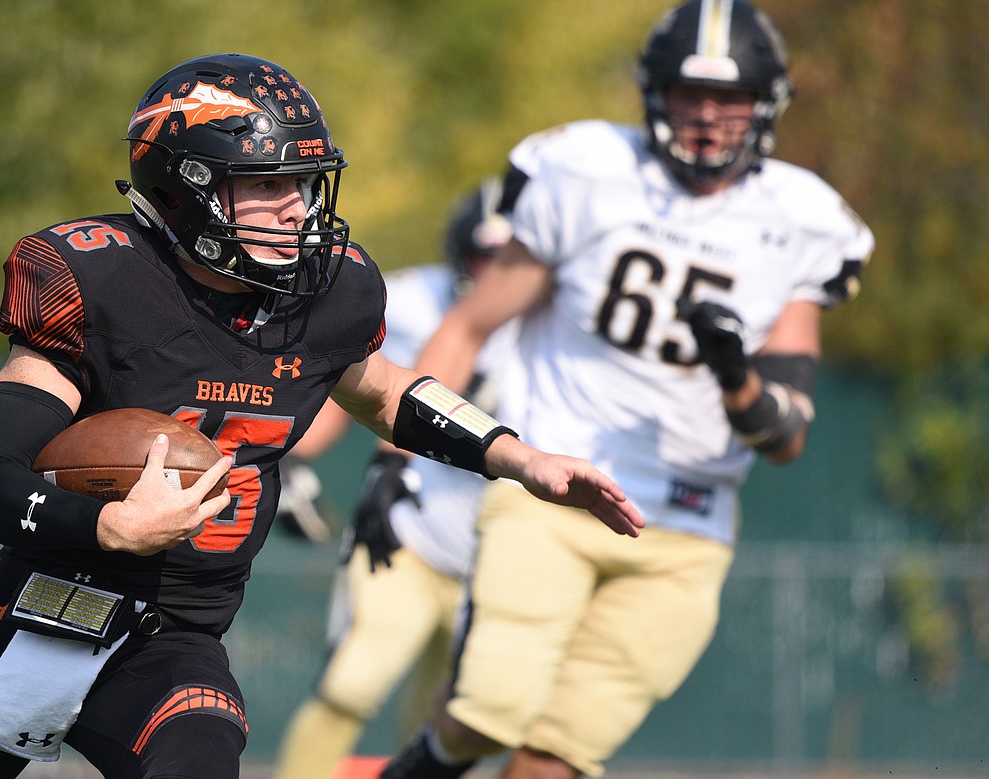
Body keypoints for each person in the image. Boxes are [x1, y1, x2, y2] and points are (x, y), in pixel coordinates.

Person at [0, 53, 644, 779]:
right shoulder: (98, 279)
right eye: (267, 184)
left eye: (303, 184)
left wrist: (518, 456)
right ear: (186, 187)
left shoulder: (330, 294)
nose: (295, 208)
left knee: (199, 754)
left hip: (168, 634)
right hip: (27, 602)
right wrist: (110, 527)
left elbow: (387, 391)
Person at [372, 2, 875, 778]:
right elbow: (469, 326)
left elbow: (786, 436)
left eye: (729, 99)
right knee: (484, 712)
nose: (707, 119)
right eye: (688, 95)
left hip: (686, 528)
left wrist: (736, 377)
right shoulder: (587, 173)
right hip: (555, 490)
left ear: (766, 107)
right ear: (651, 93)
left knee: (556, 755)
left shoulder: (799, 219)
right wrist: (393, 458)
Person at [273, 179, 517, 779]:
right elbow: (347, 379)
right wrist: (293, 458)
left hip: (504, 552)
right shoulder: (413, 300)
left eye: (504, 261)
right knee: (352, 683)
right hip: (408, 528)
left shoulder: (559, 319)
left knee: (449, 721)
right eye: (483, 258)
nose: (491, 277)